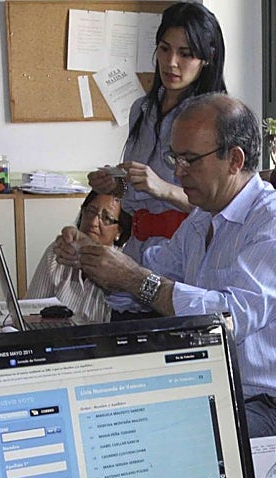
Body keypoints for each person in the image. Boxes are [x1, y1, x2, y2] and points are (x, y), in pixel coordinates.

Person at [58, 94, 276, 459]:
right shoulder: (202, 220)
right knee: (108, 413)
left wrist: (135, 278)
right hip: (215, 389)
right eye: (174, 158)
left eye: (189, 160)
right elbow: (148, 280)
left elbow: (229, 318)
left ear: (234, 160)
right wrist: (95, 261)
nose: (178, 172)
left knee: (165, 440)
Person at [87, 1, 226, 319]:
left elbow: (219, 206)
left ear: (208, 57)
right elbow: (136, 188)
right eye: (164, 49)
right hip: (139, 250)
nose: (171, 62)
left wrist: (162, 188)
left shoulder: (215, 117)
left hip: (186, 256)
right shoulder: (142, 108)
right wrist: (115, 182)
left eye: (186, 54)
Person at [25, 191, 130, 323]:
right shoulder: (59, 251)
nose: (93, 222)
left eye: (106, 218)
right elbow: (30, 307)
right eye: (91, 211)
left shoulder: (123, 267)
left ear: (119, 231)